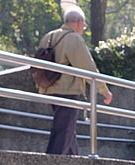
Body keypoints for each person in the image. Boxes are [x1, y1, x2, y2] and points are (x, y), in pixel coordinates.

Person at [38, 7, 113, 156]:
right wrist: (104, 90)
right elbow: (88, 68)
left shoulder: (49, 36)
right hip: (67, 90)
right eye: (84, 26)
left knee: (67, 129)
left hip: (49, 88)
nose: (83, 29)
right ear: (78, 23)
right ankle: (50, 163)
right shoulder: (73, 38)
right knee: (63, 130)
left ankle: (75, 162)